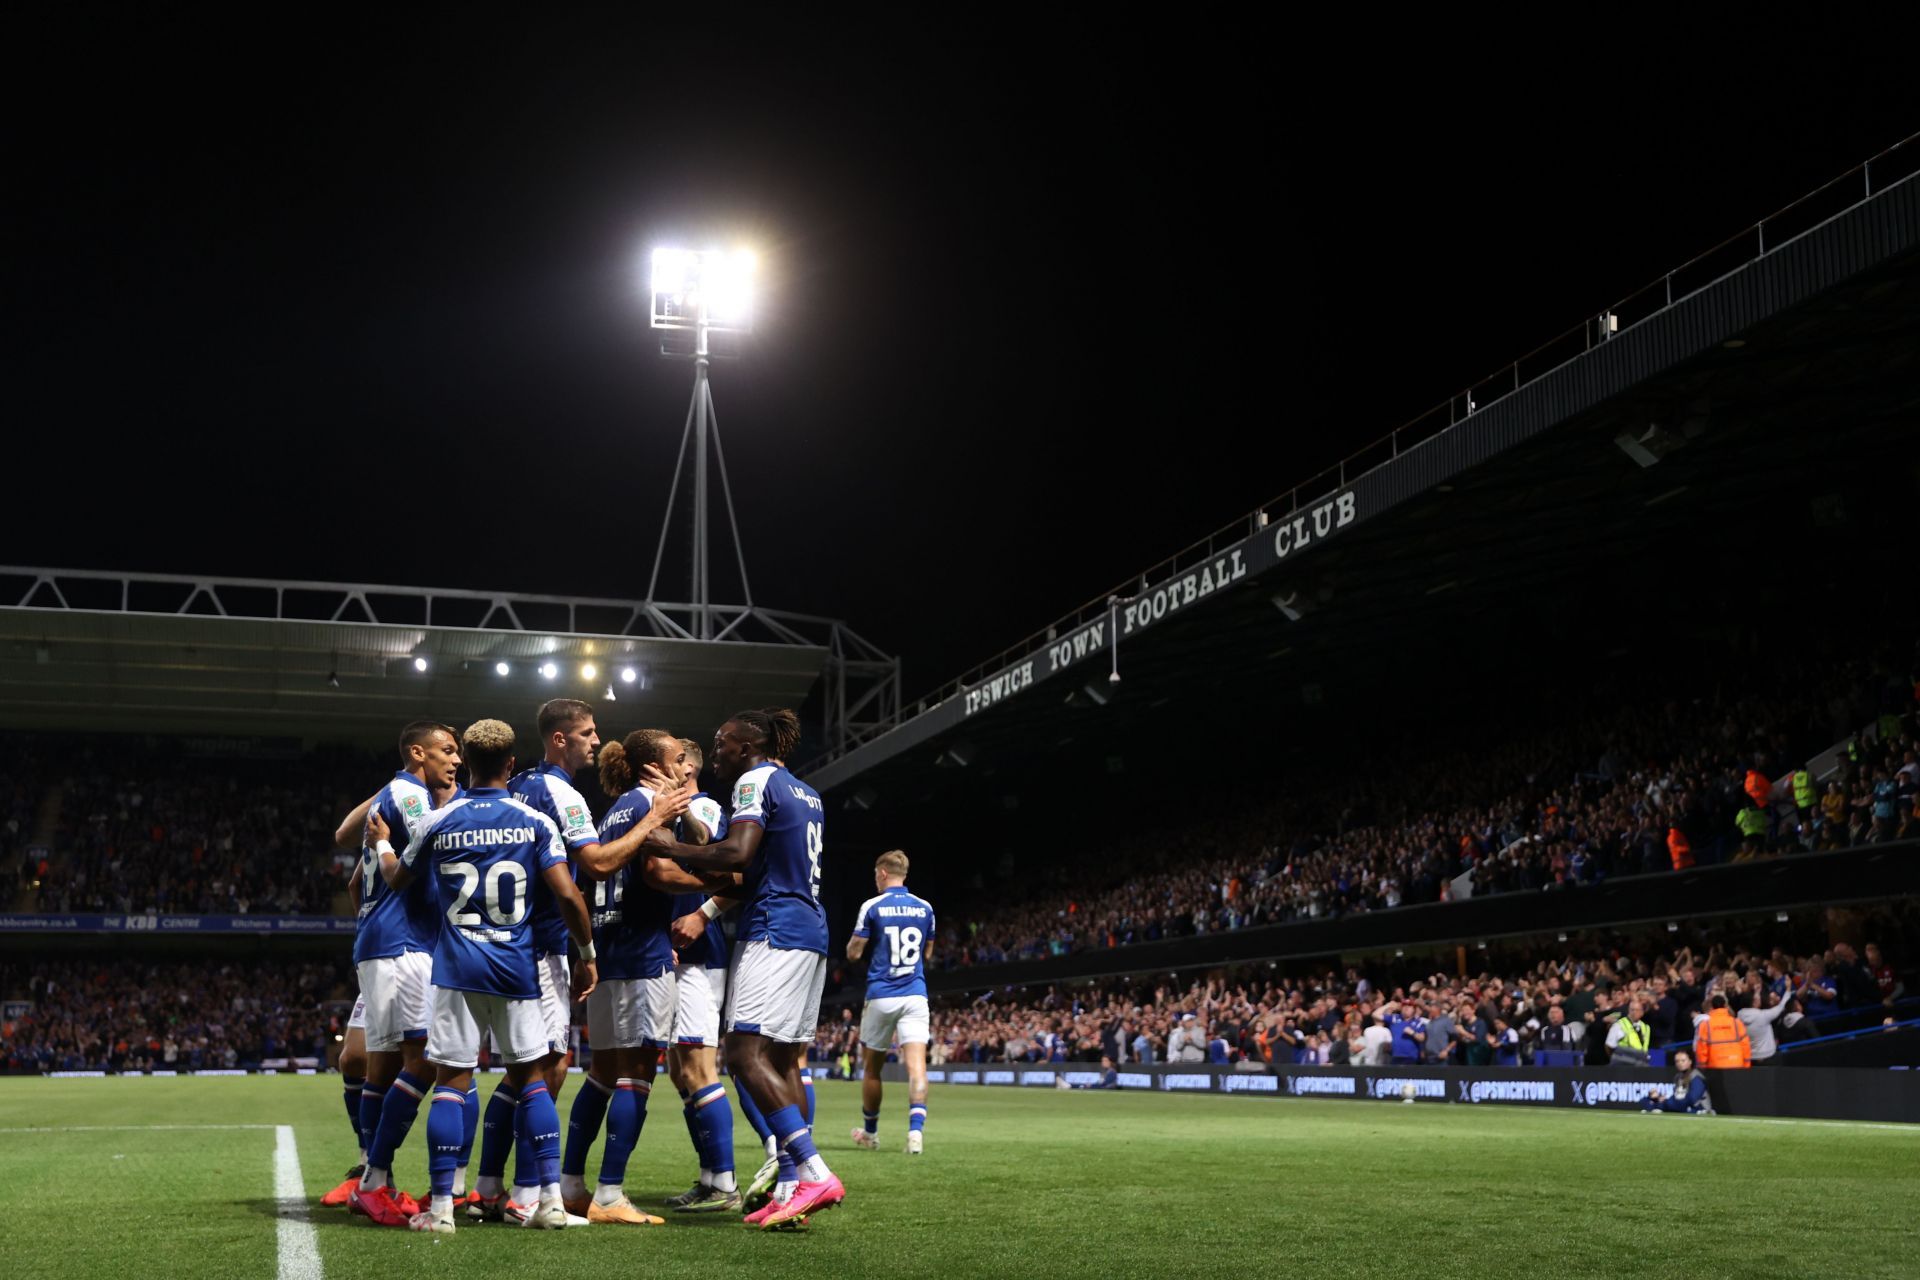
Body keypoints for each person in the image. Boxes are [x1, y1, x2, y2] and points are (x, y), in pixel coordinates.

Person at [371, 717, 599, 1234]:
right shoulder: (534, 822)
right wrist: (586, 952)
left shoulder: (439, 820)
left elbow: (397, 879)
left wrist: (383, 843)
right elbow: (568, 895)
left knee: (451, 1081)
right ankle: (548, 1204)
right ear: (511, 765)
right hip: (517, 968)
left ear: (467, 763)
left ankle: (442, 1211)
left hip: (456, 969)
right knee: (532, 1082)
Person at [643, 708, 845, 1229]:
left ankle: (813, 1170)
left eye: (721, 742)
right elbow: (752, 871)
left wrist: (674, 846)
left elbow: (738, 850)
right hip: (810, 927)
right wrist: (707, 905)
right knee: (783, 1060)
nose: (716, 753)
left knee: (741, 1051)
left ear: (746, 744)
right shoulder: (805, 791)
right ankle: (793, 1186)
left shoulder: (754, 780)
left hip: (774, 929)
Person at [555, 729, 717, 1226]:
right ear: (657, 763)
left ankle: (570, 1185)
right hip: (643, 953)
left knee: (602, 1070)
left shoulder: (617, 808)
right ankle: (610, 1194)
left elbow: (697, 839)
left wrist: (684, 809)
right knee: (639, 1072)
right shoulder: (650, 803)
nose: (685, 762)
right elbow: (656, 873)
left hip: (607, 949)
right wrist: (717, 882)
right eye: (677, 756)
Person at [344, 721, 465, 1227]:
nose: (454, 759)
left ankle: (378, 1182)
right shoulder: (410, 795)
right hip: (404, 945)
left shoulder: (392, 796)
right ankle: (375, 1177)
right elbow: (428, 850)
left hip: (385, 942)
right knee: (425, 1061)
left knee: (384, 1066)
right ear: (419, 753)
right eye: (447, 750)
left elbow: (356, 883)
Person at [662, 737, 746, 1213]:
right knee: (680, 1071)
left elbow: (704, 847)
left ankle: (726, 1184)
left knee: (699, 1065)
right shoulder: (661, 809)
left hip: (701, 955)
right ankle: (709, 1176)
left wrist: (702, 916)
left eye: (672, 761)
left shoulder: (708, 807)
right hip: (672, 954)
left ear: (687, 768)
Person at [847, 849, 935, 1155]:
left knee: (872, 1070)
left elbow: (854, 952)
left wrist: (857, 949)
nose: (875, 879)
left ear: (883, 873)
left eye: (875, 874)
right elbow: (927, 954)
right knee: (917, 1068)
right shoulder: (925, 908)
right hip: (915, 993)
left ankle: (870, 1133)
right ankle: (915, 1136)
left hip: (882, 995)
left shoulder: (873, 906)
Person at [1639, 1048, 1713, 1115]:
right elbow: (1677, 1095)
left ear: (1690, 1061)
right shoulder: (1678, 1077)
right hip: (1681, 1105)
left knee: (1669, 1104)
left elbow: (1692, 1099)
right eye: (1677, 1061)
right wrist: (1660, 1098)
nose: (1680, 1063)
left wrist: (1671, 1102)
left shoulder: (1696, 1077)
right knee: (1648, 1100)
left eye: (1683, 1061)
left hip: (1698, 1108)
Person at [1694, 993, 1752, 1069]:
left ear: (1712, 1007)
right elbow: (1745, 1045)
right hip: (1736, 1063)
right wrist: (1746, 1065)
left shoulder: (1706, 1025)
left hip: (1715, 1066)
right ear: (1725, 1005)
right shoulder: (1737, 1023)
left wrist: (1702, 1067)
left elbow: (1702, 1050)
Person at [1607, 998, 1652, 1067]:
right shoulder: (1619, 1025)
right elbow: (1609, 1046)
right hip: (1624, 1064)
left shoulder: (1646, 1027)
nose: (1634, 1012)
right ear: (1628, 1011)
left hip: (1640, 1064)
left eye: (1637, 1010)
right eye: (1632, 1010)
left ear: (1642, 1012)